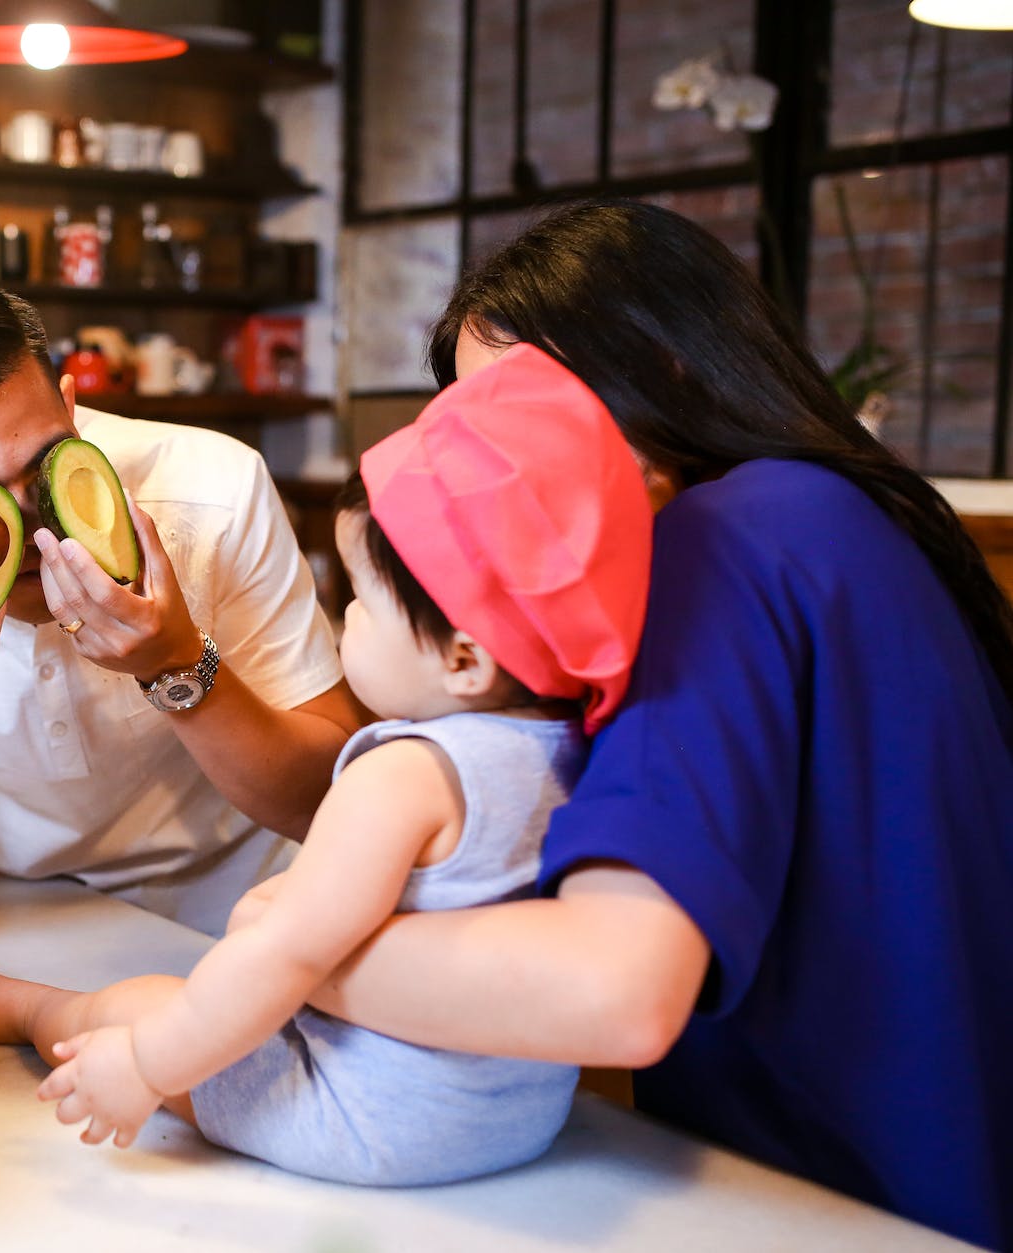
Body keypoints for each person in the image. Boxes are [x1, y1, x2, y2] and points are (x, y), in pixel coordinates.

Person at [288, 201, 1012, 1248]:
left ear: (666, 372)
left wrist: (283, 944)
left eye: (515, 411)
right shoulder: (846, 512)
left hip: (842, 1201)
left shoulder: (714, 548)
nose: (485, 470)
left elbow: (609, 987)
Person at [0, 344, 655, 1184]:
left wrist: (145, 1069)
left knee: (147, 1002)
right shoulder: (568, 748)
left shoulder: (402, 774)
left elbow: (282, 958)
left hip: (362, 1119)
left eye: (362, 599)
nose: (344, 619)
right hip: (514, 1121)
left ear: (465, 657)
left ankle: (32, 1008)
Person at [0, 273, 367, 934]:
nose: (38, 530)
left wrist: (174, 661)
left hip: (246, 904)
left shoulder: (216, 488)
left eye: (45, 465)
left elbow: (329, 797)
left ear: (68, 404)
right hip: (18, 909)